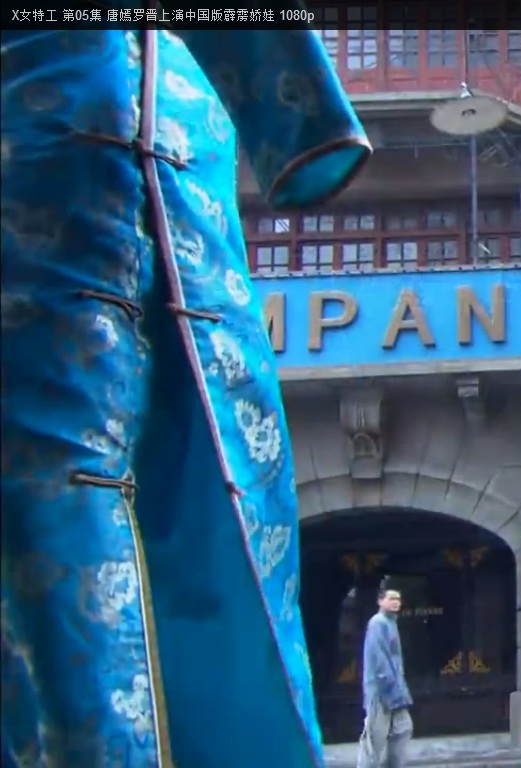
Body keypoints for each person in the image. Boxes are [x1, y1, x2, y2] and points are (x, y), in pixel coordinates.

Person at [1, 25, 369, 767]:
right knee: (56, 522)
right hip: (42, 149)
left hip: (181, 174)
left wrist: (294, 114)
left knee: (224, 501)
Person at [358, 587, 414, 768]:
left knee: (403, 729)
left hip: (395, 689)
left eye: (398, 599)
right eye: (391, 598)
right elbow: (379, 659)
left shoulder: (391, 623)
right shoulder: (378, 623)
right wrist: (389, 687)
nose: (396, 602)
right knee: (374, 739)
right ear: (380, 601)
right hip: (381, 691)